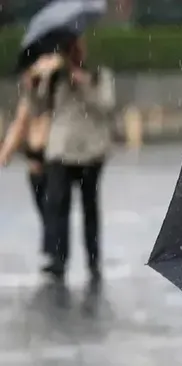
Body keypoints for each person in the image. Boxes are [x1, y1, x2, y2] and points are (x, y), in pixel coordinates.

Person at [38, 35, 115, 281]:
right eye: (70, 49)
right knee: (58, 206)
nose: (75, 53)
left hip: (90, 152)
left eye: (78, 48)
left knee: (89, 208)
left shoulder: (99, 75)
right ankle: (58, 259)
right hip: (61, 152)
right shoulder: (54, 76)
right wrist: (38, 81)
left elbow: (106, 105)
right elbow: (39, 106)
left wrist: (84, 83)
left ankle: (93, 260)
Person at [0, 54, 64, 257]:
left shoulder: (56, 94)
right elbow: (18, 126)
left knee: (53, 206)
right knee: (45, 206)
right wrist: (5, 154)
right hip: (36, 156)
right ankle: (52, 246)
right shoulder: (29, 99)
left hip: (53, 154)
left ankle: (54, 249)